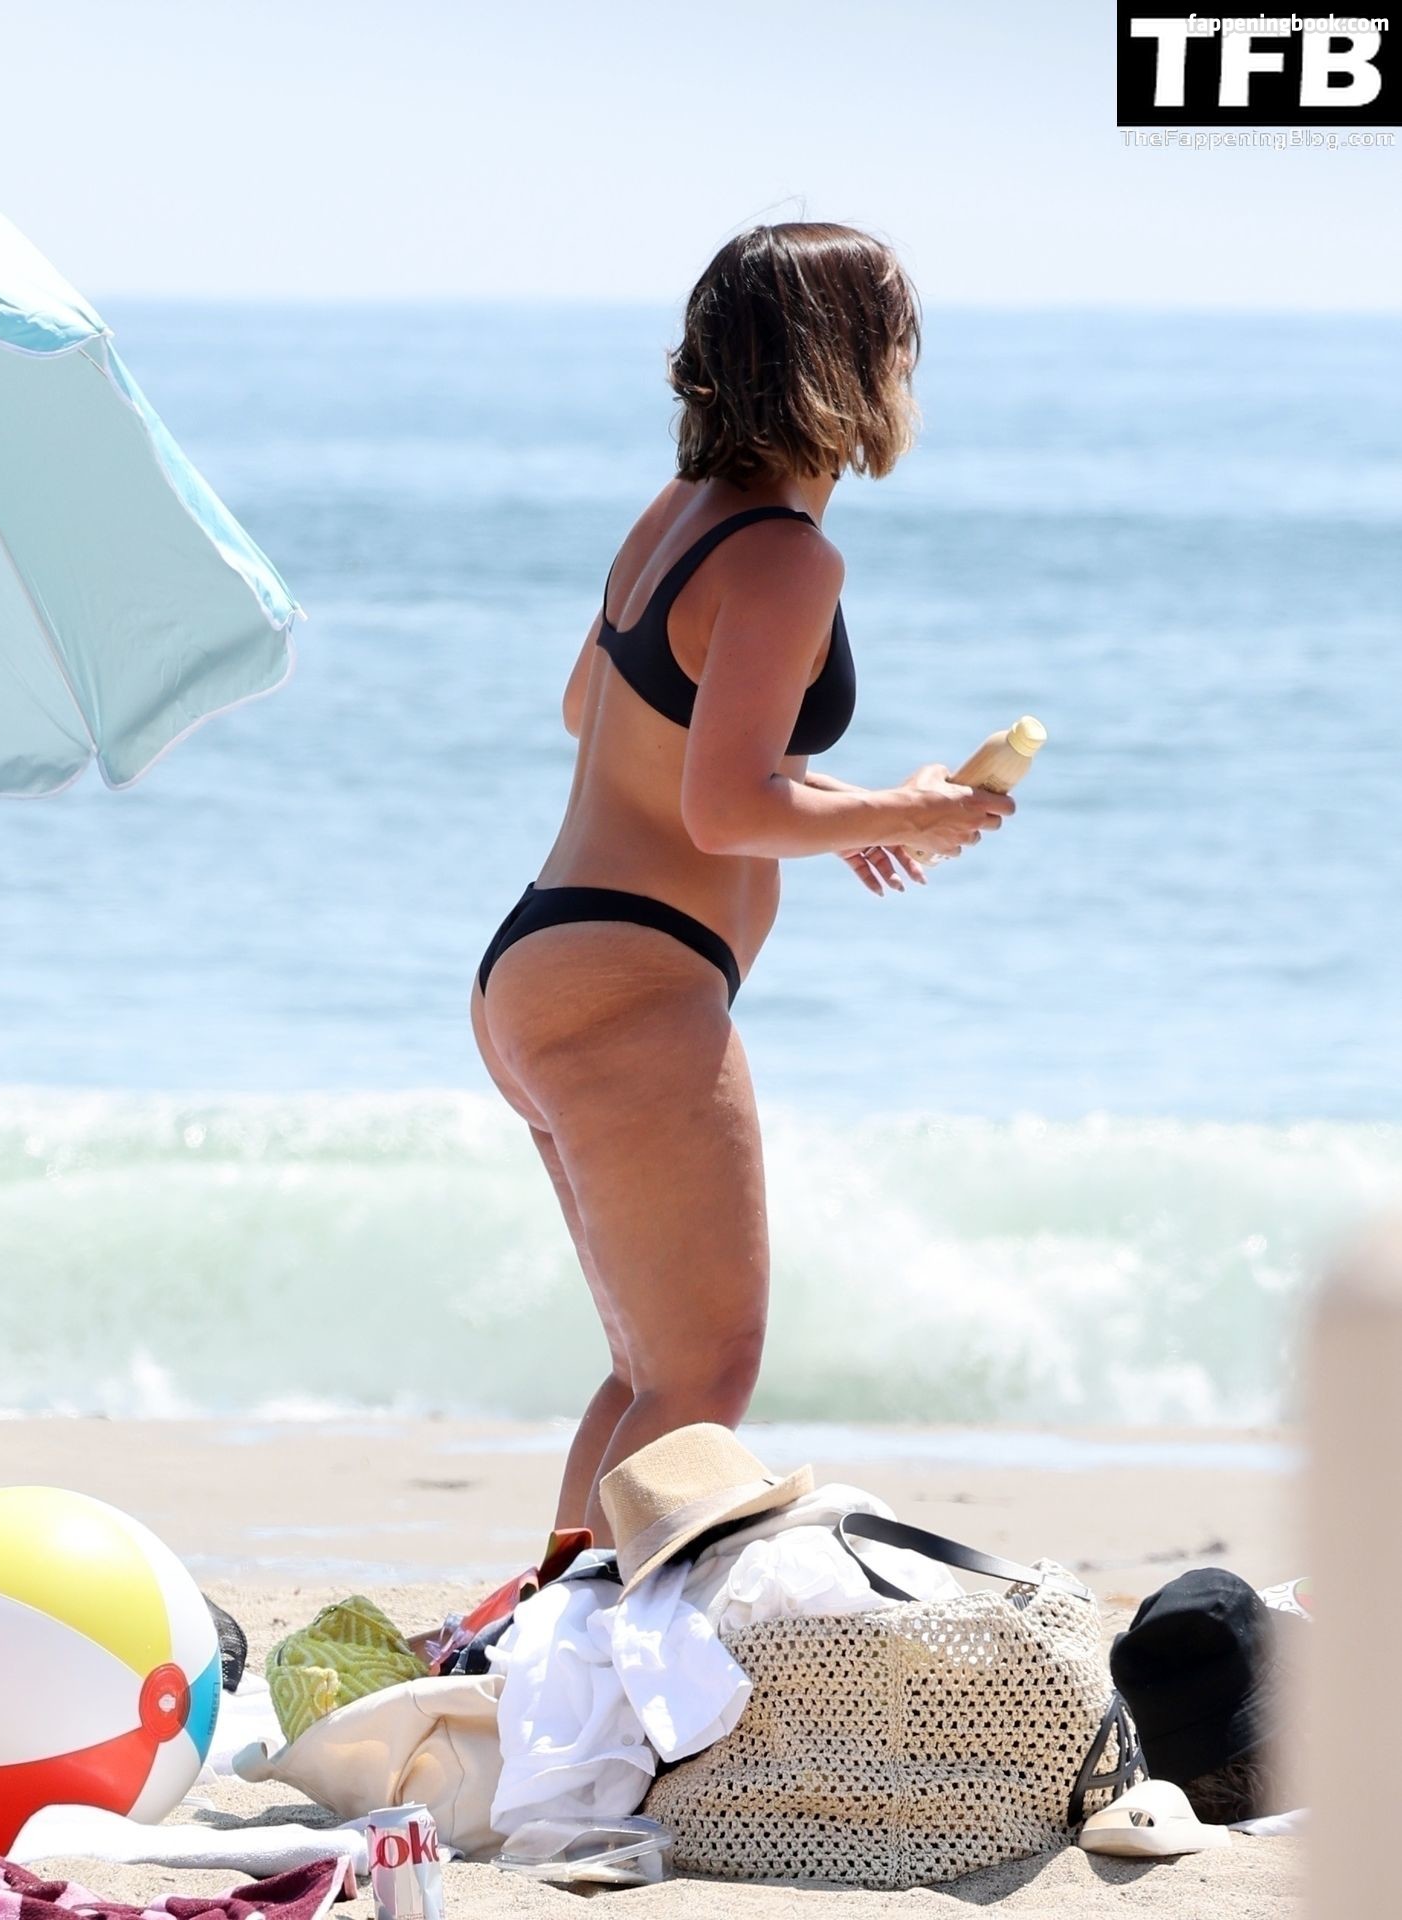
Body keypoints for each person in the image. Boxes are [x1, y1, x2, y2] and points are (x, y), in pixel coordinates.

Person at [469, 221, 1015, 1543]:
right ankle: (565, 1650)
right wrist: (907, 811)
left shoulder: (677, 516)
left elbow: (599, 714)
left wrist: (836, 810)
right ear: (851, 362)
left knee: (651, 1373)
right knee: (703, 1378)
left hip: (547, 961)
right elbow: (721, 810)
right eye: (900, 343)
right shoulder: (786, 554)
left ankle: (539, 1632)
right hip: (632, 980)